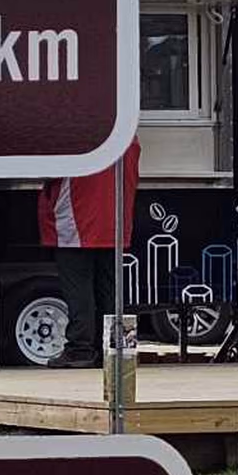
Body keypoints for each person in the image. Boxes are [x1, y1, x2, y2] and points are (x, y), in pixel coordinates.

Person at [38, 143, 141, 368]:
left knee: (78, 290)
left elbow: (47, 168)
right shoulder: (126, 134)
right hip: (115, 221)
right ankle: (113, 349)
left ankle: (80, 348)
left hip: (76, 219)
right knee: (109, 290)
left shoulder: (77, 134)